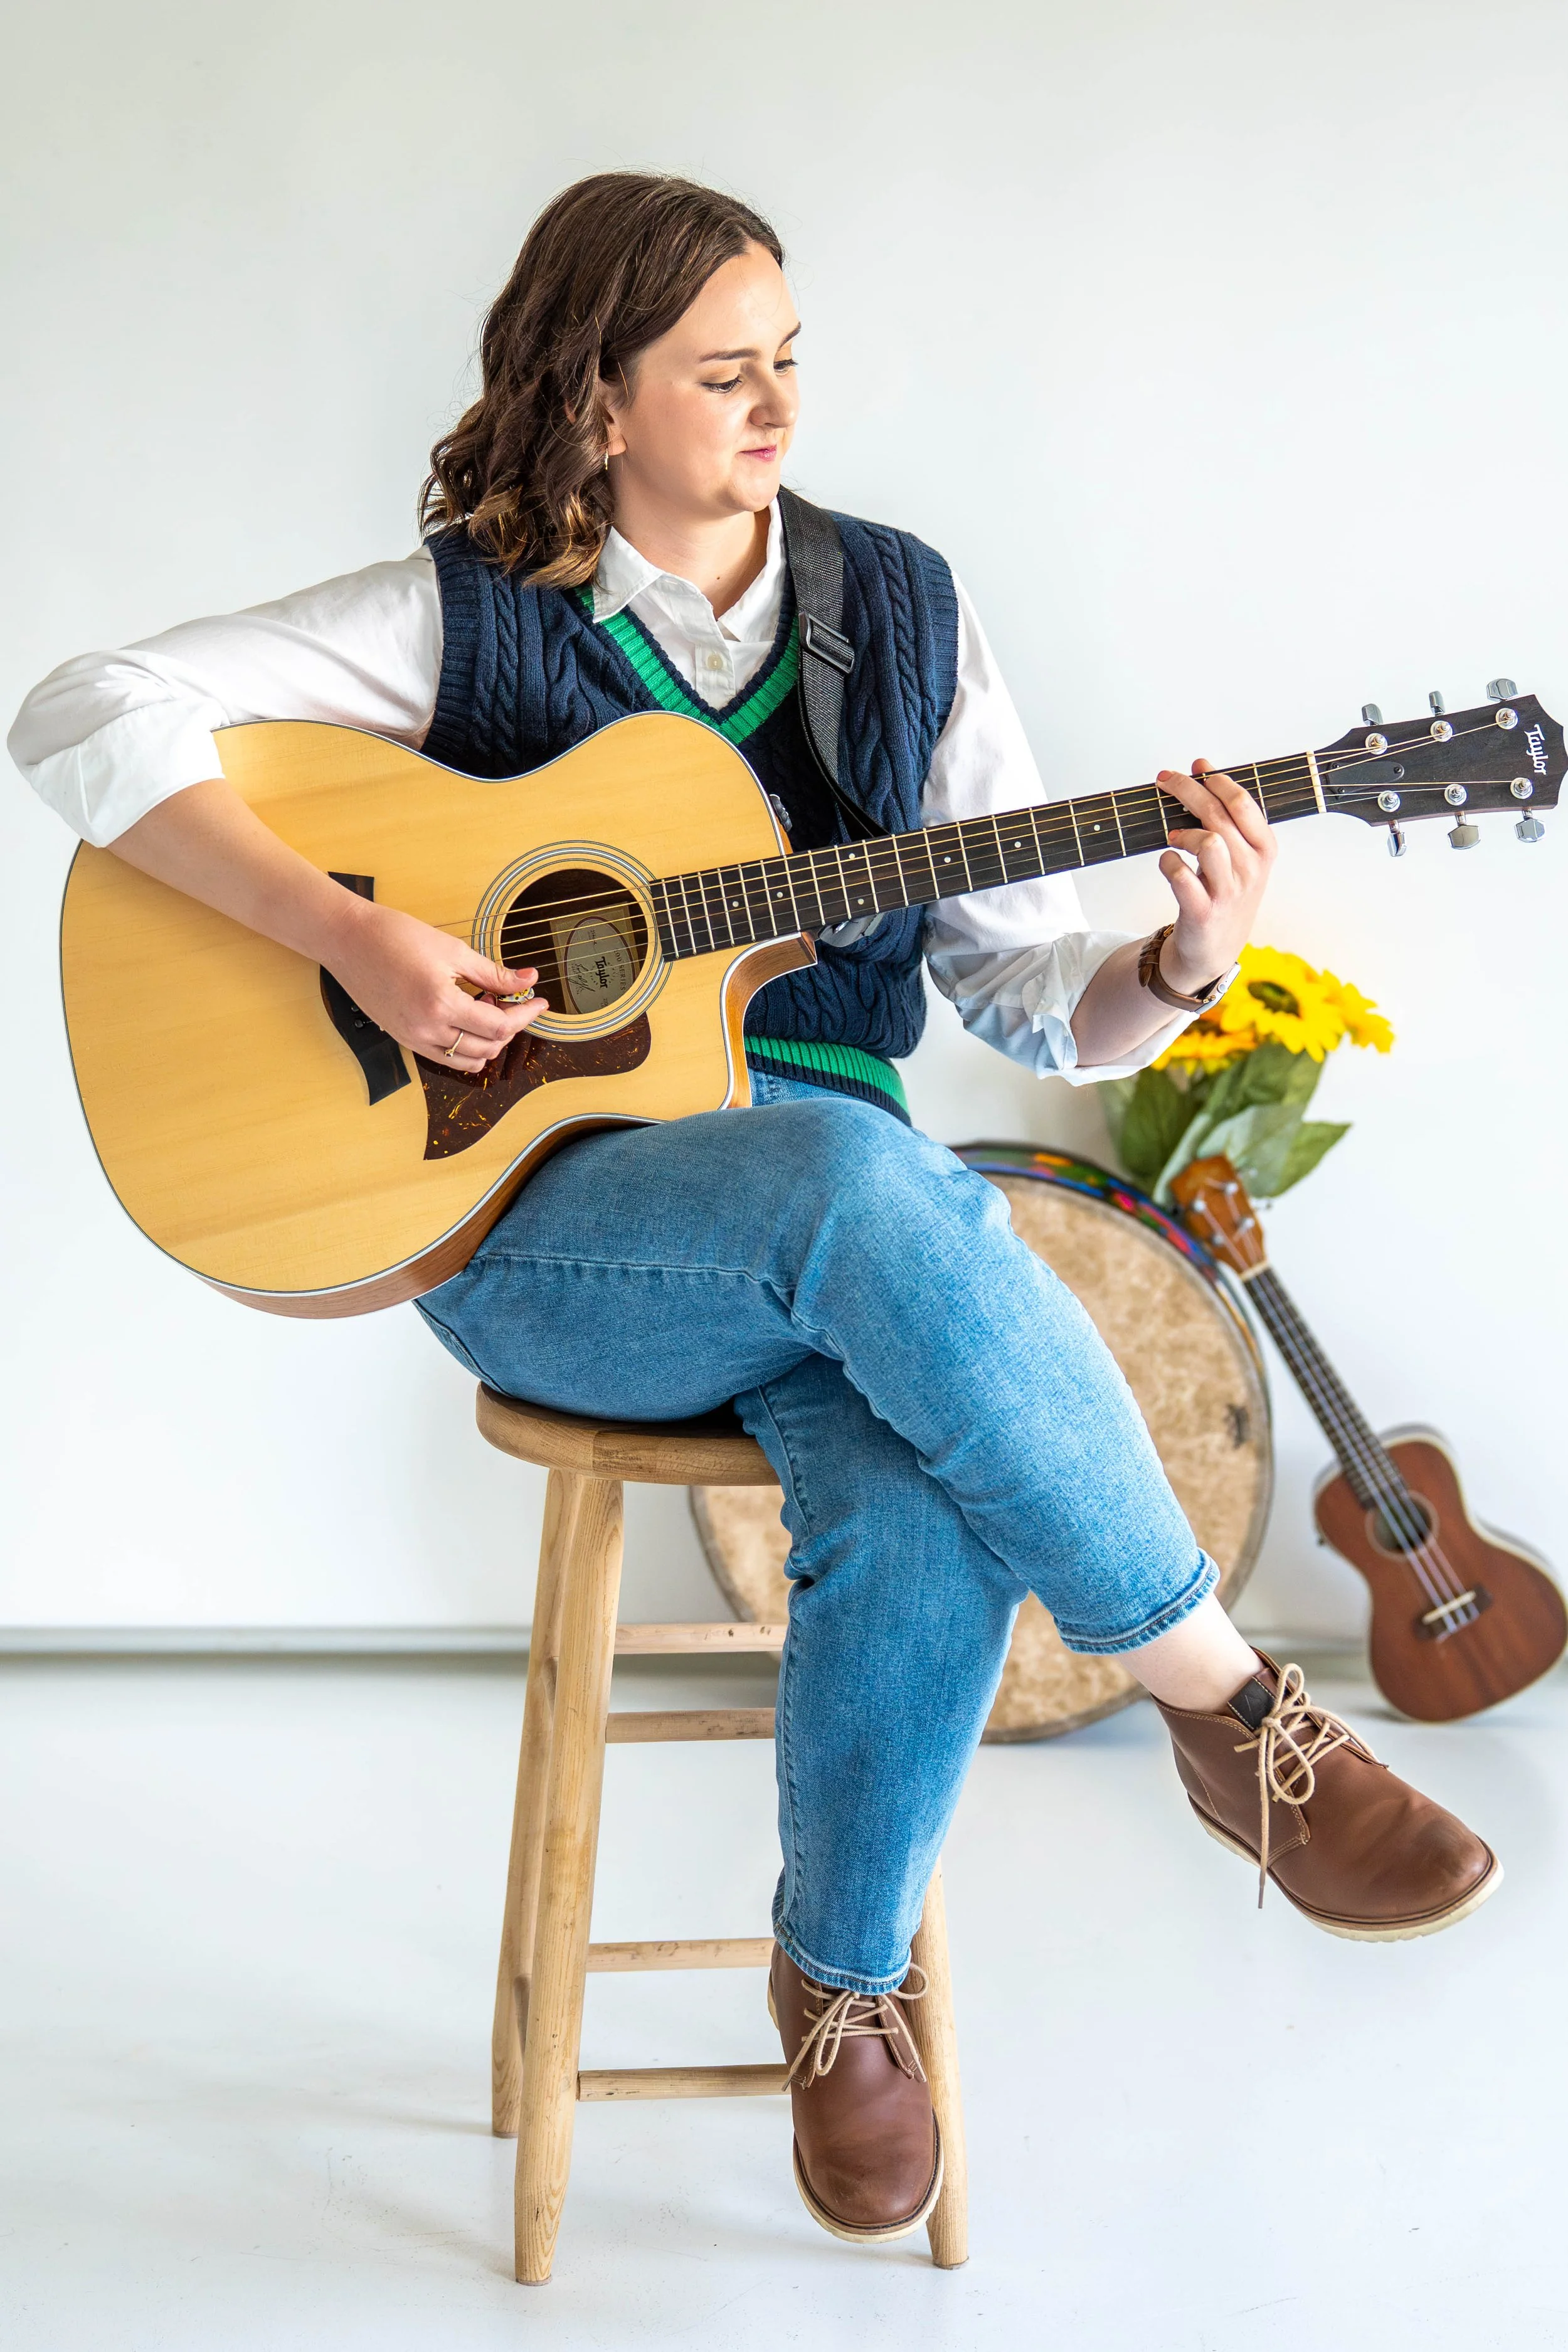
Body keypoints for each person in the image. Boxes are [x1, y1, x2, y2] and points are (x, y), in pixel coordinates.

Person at [11, 172, 1498, 2249]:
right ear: (594, 399)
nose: (777, 405)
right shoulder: (466, 608)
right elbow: (77, 708)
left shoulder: (903, 607)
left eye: (789, 358)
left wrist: (1170, 964)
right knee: (854, 1179)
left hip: (850, 1241)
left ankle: (840, 1983)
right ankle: (1230, 1718)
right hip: (542, 1237)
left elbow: (1007, 982)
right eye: (723, 371)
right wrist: (349, 932)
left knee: (900, 1420)